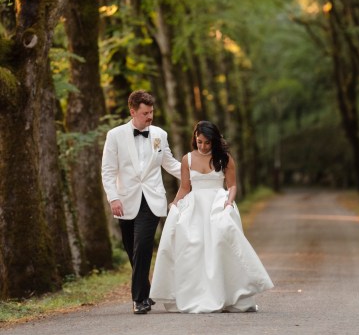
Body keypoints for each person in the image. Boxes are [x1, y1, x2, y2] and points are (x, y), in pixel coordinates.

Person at [149, 120, 274, 313]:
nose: (203, 146)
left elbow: (232, 185)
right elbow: (184, 187)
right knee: (194, 248)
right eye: (200, 142)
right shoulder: (187, 159)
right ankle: (195, 294)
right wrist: (175, 203)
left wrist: (229, 202)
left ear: (214, 141)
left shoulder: (224, 158)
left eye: (207, 142)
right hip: (195, 207)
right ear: (195, 139)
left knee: (219, 245)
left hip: (218, 203)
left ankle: (227, 295)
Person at [101, 90, 181, 315]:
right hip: (125, 200)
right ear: (132, 111)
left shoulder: (159, 134)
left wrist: (194, 174)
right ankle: (145, 289)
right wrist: (113, 197)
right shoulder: (115, 135)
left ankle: (139, 299)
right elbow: (108, 171)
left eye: (151, 112)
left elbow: (170, 163)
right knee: (131, 249)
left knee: (143, 245)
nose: (150, 117)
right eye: (145, 113)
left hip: (152, 199)